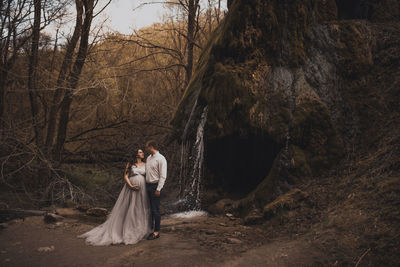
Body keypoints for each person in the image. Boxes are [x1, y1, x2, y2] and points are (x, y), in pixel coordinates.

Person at [78, 149, 150, 246]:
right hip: (131, 189)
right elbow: (125, 176)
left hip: (142, 190)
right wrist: (131, 186)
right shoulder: (130, 164)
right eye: (140, 152)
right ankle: (126, 230)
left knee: (139, 208)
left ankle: (139, 230)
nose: (143, 154)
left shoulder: (146, 164)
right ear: (136, 154)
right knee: (129, 209)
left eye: (142, 152)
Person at [145, 140, 167, 240]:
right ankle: (151, 230)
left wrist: (158, 189)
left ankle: (156, 232)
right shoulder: (148, 158)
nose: (146, 149)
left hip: (155, 186)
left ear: (151, 147)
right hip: (148, 186)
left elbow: (163, 176)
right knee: (150, 210)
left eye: (147, 147)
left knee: (156, 210)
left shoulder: (161, 159)